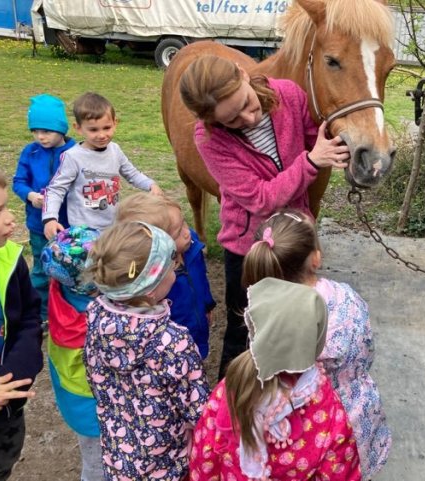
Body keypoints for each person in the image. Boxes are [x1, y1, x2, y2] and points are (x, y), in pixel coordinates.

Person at [179, 55, 350, 377]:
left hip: (292, 237)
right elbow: (260, 199)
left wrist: (348, 146)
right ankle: (230, 402)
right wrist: (311, 163)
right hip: (248, 248)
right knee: (243, 327)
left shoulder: (289, 94)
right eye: (232, 120)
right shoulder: (209, 139)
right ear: (214, 122)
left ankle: (286, 392)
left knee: (293, 320)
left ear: (244, 74)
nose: (248, 116)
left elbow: (317, 139)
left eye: (246, 102)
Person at [242, 209, 392, 480]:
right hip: (352, 411)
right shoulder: (346, 298)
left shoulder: (262, 311)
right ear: (316, 257)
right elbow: (366, 349)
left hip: (293, 426)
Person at [189, 277, 362, 481]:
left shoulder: (231, 386)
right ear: (315, 340)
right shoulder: (327, 410)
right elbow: (340, 472)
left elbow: (205, 456)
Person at [83, 221, 210, 480]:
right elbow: (199, 412)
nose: (176, 269)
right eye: (171, 265)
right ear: (152, 288)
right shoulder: (173, 342)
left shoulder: (95, 316)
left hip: (118, 460)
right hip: (169, 467)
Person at [42, 92, 163, 240]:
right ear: (78, 128)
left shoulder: (115, 150)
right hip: (84, 231)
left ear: (115, 123)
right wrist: (50, 218)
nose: (101, 135)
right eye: (93, 130)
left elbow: (132, 173)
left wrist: (151, 184)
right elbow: (55, 190)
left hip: (113, 227)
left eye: (106, 128)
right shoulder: (72, 157)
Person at [0, 163, 43, 480]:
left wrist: (15, 377)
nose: (10, 218)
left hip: (7, 409)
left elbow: (30, 319)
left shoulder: (9, 259)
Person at [115, 192, 216, 359]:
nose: (187, 233)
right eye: (177, 233)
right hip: (170, 346)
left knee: (199, 358)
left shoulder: (192, 245)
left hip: (197, 327)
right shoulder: (153, 279)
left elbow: (201, 278)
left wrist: (207, 304)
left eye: (184, 223)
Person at [40, 225, 103, 481]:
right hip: (93, 408)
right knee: (98, 466)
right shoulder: (93, 320)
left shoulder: (61, 291)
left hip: (72, 397)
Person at [12, 94, 76, 322]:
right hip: (39, 225)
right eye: (35, 131)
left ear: (61, 128)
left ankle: (68, 312)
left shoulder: (75, 152)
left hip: (69, 226)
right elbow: (18, 181)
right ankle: (39, 314)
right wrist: (30, 196)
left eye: (47, 130)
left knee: (70, 270)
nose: (40, 136)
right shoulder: (30, 152)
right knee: (40, 269)